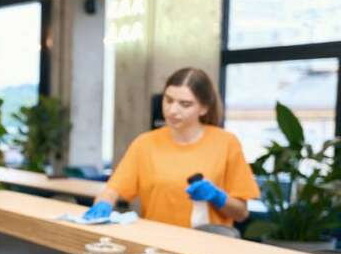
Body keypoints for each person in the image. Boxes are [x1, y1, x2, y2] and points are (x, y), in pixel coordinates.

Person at [84, 67, 260, 229]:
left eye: (185, 104)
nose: (172, 110)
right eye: (168, 100)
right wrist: (103, 203)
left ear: (204, 108)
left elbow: (241, 213)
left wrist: (217, 196)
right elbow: (113, 189)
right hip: (156, 244)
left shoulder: (226, 143)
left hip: (209, 247)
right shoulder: (145, 143)